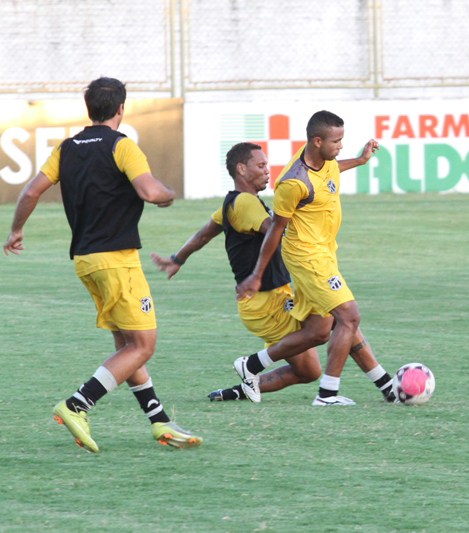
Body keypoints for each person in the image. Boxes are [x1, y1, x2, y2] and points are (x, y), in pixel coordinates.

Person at [3, 77, 203, 452]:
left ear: (89, 108)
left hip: (85, 260)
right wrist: (170, 194)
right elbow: (150, 191)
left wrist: (16, 231)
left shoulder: (66, 148)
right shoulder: (122, 145)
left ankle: (159, 422)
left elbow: (31, 191)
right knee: (143, 345)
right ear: (121, 109)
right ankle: (77, 404)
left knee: (126, 346)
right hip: (117, 261)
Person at [152, 142, 396, 404]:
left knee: (311, 367)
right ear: (241, 169)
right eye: (260, 166)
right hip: (264, 302)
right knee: (330, 323)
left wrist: (178, 258)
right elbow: (275, 230)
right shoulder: (245, 204)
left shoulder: (237, 202)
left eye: (267, 165)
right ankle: (259, 368)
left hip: (275, 295)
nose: (267, 171)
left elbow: (203, 234)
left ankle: (242, 387)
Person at [235, 111, 396, 405]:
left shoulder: (325, 160)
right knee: (349, 316)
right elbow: (276, 232)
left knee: (319, 331)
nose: (341, 146)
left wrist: (359, 161)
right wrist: (257, 274)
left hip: (324, 253)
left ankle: (252, 365)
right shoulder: (293, 182)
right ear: (317, 141)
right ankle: (327, 394)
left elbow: (331, 173)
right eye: (336, 141)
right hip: (307, 258)